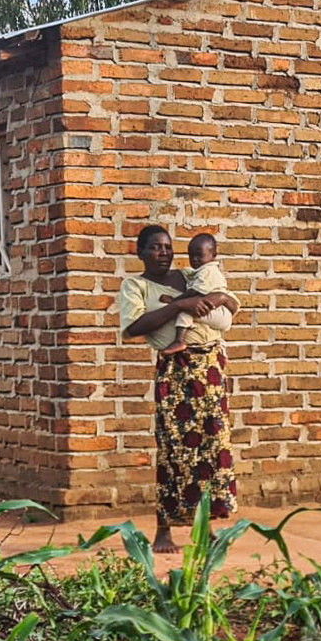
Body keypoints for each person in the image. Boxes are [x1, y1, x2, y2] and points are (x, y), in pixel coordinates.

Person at [117, 225, 241, 554]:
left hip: (211, 368)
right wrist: (177, 307)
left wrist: (220, 299)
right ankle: (163, 530)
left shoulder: (190, 275)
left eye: (168, 247)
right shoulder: (136, 286)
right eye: (155, 247)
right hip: (176, 371)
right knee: (174, 449)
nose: (163, 253)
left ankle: (206, 527)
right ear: (140, 252)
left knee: (211, 446)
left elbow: (228, 299)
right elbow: (134, 327)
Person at [158, 233, 230, 356]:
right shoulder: (199, 272)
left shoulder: (208, 271)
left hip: (219, 312)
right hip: (215, 311)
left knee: (185, 308)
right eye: (191, 256)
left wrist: (174, 301)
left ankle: (179, 341)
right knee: (187, 306)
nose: (195, 259)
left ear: (213, 255)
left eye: (199, 255)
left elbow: (194, 292)